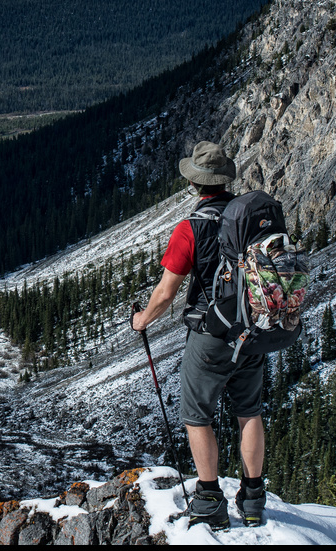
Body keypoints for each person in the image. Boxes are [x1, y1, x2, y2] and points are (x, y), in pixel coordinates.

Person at [130, 141, 267, 530]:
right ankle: (253, 497)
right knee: (249, 411)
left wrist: (143, 320)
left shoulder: (191, 228)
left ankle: (208, 498)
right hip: (253, 330)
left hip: (211, 334)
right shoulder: (251, 218)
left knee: (196, 415)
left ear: (196, 184)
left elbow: (166, 292)